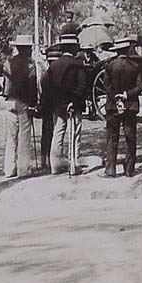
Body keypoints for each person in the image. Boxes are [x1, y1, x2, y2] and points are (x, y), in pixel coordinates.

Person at [0, 34, 38, 178]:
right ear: (27, 49)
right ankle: (23, 169)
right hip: (23, 103)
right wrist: (33, 104)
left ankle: (9, 169)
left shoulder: (8, 62)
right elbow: (32, 87)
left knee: (11, 137)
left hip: (9, 102)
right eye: (29, 48)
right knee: (24, 137)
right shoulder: (30, 65)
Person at [101, 37, 142, 178]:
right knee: (130, 137)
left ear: (117, 50)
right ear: (127, 50)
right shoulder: (135, 66)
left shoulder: (110, 65)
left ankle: (111, 169)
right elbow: (140, 86)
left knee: (112, 138)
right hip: (130, 105)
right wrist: (126, 95)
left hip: (112, 106)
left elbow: (106, 86)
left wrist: (116, 97)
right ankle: (129, 170)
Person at [46, 26, 87, 175]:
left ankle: (55, 165)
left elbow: (48, 85)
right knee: (75, 133)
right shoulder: (78, 65)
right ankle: (74, 165)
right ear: (73, 48)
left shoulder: (54, 66)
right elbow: (82, 86)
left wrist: (56, 101)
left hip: (58, 105)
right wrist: (73, 101)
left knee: (58, 133)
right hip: (73, 105)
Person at [38, 47, 62, 171]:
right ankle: (53, 160)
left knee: (46, 134)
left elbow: (42, 94)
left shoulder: (45, 75)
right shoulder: (59, 75)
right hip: (56, 107)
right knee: (55, 135)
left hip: (47, 107)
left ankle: (45, 160)